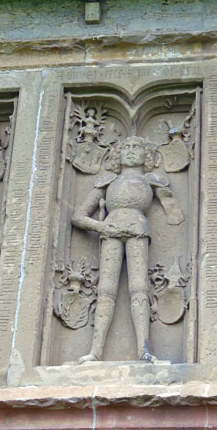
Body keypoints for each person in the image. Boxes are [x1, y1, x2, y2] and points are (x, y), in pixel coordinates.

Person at [72, 136, 184, 363]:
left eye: (137, 148)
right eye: (127, 147)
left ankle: (144, 350)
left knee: (139, 287)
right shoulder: (108, 181)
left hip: (137, 228)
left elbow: (175, 214)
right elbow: (78, 216)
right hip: (111, 230)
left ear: (146, 155)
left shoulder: (151, 180)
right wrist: (100, 226)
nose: (131, 151)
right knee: (105, 289)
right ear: (118, 154)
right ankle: (96, 351)